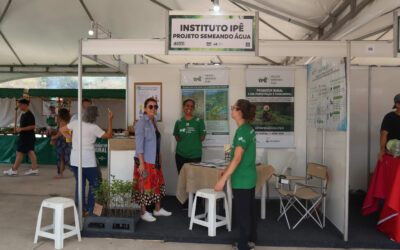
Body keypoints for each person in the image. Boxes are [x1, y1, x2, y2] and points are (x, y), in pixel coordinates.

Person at [215, 99, 257, 250]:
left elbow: (238, 158)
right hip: (249, 177)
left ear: (240, 112)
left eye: (233, 108)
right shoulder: (249, 128)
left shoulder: (243, 131)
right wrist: (227, 170)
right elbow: (237, 157)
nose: (231, 110)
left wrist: (223, 179)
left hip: (242, 179)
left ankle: (244, 245)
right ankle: (250, 240)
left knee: (243, 213)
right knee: (249, 210)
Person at [61, 106, 113, 214]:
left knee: (80, 184)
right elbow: (108, 135)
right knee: (94, 185)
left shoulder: (76, 123)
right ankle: (90, 210)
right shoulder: (94, 127)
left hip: (75, 160)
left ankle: (80, 210)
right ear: (95, 116)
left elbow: (62, 129)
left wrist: (70, 138)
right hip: (88, 161)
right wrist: (109, 120)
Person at [132, 97, 172, 222]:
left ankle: (157, 209)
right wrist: (142, 163)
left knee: (157, 184)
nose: (153, 109)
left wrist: (159, 157)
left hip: (154, 159)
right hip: (145, 161)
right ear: (145, 108)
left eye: (155, 107)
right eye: (150, 106)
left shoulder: (154, 121)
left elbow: (156, 142)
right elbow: (139, 146)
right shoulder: (141, 124)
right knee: (144, 186)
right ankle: (144, 212)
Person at [4, 99, 39, 176]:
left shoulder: (29, 115)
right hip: (25, 136)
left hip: (27, 137)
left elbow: (32, 126)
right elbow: (23, 126)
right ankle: (34, 169)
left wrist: (21, 129)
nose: (19, 106)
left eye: (20, 105)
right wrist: (18, 129)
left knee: (19, 153)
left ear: (25, 105)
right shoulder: (23, 114)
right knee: (30, 152)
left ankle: (14, 170)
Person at [173, 99, 206, 173]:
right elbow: (177, 137)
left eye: (192, 106)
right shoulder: (179, 122)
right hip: (180, 155)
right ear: (183, 107)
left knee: (194, 179)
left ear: (193, 109)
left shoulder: (199, 121)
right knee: (182, 178)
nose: (189, 108)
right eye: (187, 105)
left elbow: (202, 138)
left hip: (195, 156)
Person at [378, 93, 400, 161]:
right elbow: (383, 134)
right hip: (392, 153)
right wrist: (382, 150)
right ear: (397, 105)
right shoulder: (389, 117)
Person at [51, 108, 71, 179]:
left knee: (62, 158)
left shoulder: (62, 122)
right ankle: (61, 173)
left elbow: (60, 133)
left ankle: (60, 173)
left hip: (62, 142)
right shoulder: (68, 122)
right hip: (67, 141)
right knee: (66, 158)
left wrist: (54, 137)